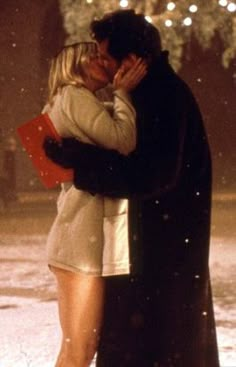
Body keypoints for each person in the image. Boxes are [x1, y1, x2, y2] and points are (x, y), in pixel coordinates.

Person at [44, 10, 220, 367]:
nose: (100, 65)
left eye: (105, 58)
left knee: (157, 347)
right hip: (153, 254)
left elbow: (148, 174)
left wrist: (79, 162)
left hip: (162, 256)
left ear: (131, 61)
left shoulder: (163, 97)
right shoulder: (148, 92)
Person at [42, 42, 147, 367]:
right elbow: (122, 140)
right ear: (75, 65)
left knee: (77, 348)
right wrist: (123, 94)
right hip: (79, 247)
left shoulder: (63, 102)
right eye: (95, 56)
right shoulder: (74, 96)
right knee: (80, 350)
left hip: (75, 241)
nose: (105, 61)